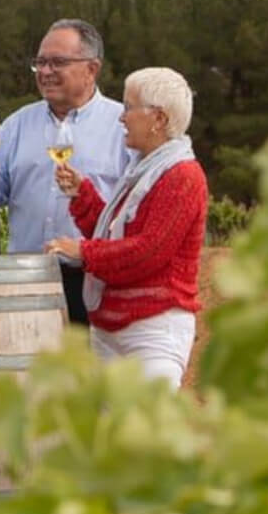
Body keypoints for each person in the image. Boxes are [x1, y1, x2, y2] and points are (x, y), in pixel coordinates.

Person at [43, 67, 207, 388]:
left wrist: (83, 252)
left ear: (158, 119)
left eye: (129, 108)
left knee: (145, 434)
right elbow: (115, 235)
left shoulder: (183, 177)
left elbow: (147, 253)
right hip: (112, 332)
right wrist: (83, 195)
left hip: (152, 334)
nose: (122, 117)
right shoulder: (143, 170)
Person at [0, 19, 133, 323]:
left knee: (89, 371)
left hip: (95, 283)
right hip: (24, 280)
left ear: (92, 69)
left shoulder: (124, 125)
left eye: (57, 63)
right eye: (40, 63)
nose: (45, 72)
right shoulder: (15, 125)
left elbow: (136, 211)